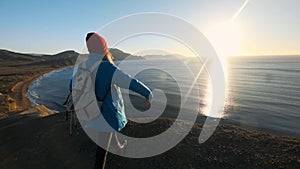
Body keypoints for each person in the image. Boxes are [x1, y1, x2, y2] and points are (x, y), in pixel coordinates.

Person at [76, 32, 153, 169]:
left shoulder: (81, 67)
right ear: (104, 49)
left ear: (89, 49)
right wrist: (147, 94)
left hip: (89, 111)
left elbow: (73, 87)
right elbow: (130, 82)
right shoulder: (107, 68)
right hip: (105, 115)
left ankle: (118, 147)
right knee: (101, 152)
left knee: (108, 131)